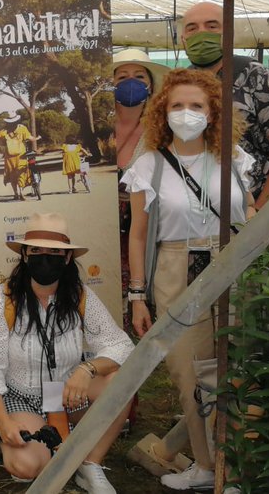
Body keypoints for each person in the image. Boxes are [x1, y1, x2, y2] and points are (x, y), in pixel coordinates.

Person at [122, 68, 255, 492]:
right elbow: (138, 233)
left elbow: (249, 210)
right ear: (163, 112)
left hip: (232, 263)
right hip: (175, 267)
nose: (186, 113)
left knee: (236, 368)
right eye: (177, 105)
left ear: (213, 112)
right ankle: (203, 463)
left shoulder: (233, 158)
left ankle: (232, 469)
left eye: (196, 105)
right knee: (187, 371)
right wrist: (137, 295)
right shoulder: (149, 165)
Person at [0, 212, 134, 492]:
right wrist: (3, 421)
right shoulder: (0, 301)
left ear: (67, 257)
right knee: (26, 465)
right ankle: (47, 444)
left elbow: (120, 345)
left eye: (54, 252)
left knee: (122, 381)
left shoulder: (80, 296)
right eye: (36, 250)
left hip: (65, 393)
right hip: (21, 395)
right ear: (24, 254)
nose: (45, 257)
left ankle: (89, 465)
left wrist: (88, 369)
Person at [181, 0, 269, 210]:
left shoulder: (253, 75)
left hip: (250, 203)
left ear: (228, 35)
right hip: (195, 209)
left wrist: (259, 214)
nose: (201, 34)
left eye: (212, 26)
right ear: (183, 40)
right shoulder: (181, 82)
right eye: (192, 28)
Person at [113, 48, 170, 332]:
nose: (130, 82)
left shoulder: (160, 129)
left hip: (145, 222)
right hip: (103, 222)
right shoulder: (98, 125)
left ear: (150, 84)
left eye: (138, 76)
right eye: (122, 76)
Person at [0, 113, 34, 200]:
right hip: (21, 154)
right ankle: (21, 191)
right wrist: (37, 138)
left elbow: (1, 142)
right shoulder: (22, 128)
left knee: (12, 174)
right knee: (21, 172)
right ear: (17, 120)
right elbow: (30, 138)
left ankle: (15, 193)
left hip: (9, 156)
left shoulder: (3, 132)